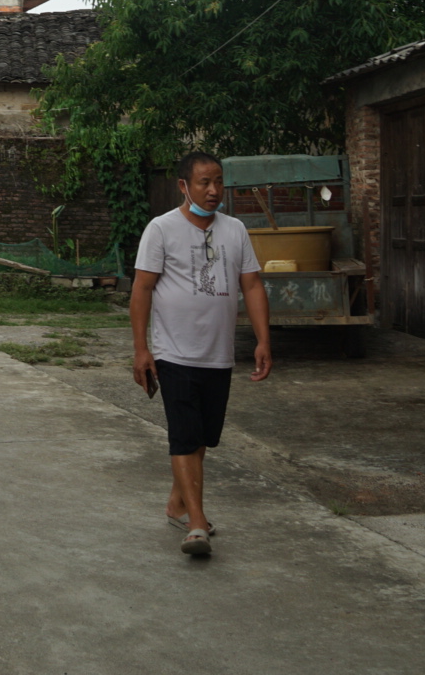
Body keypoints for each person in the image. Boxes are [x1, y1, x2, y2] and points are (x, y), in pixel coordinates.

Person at [130, 151, 272, 557]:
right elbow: (142, 289)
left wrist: (263, 340)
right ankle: (195, 524)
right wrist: (141, 349)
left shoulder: (235, 230)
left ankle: (177, 504)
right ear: (184, 186)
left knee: (203, 437)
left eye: (218, 181)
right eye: (204, 182)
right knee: (184, 436)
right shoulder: (161, 229)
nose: (213, 190)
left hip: (218, 354)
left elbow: (252, 285)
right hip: (173, 353)